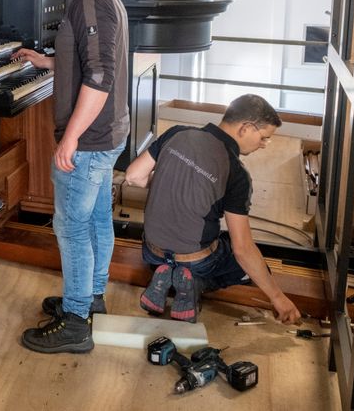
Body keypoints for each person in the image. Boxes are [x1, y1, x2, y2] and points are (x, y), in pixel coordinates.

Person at [14, 0, 130, 354]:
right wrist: (46, 61)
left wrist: (70, 140)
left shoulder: (89, 0)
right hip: (107, 135)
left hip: (91, 140)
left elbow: (99, 79)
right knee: (97, 217)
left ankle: (76, 321)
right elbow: (86, 61)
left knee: (71, 227)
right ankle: (91, 294)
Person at [124, 93, 302, 325]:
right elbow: (243, 250)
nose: (264, 145)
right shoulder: (237, 173)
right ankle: (193, 284)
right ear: (246, 128)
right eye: (264, 137)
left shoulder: (176, 132)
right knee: (247, 266)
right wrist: (278, 297)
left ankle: (165, 274)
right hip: (194, 260)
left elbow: (133, 176)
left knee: (178, 251)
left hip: (152, 252)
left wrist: (172, 177)